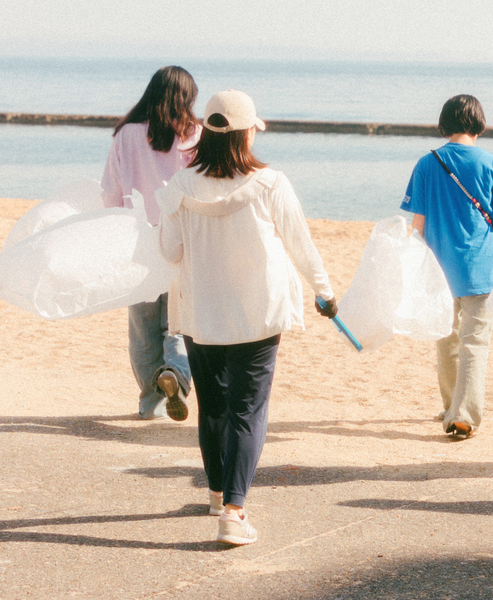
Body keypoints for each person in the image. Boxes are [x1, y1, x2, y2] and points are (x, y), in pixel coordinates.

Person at [157, 89, 337, 545]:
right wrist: (324, 291)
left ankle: (218, 496)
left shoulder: (178, 187)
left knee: (213, 407)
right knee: (247, 410)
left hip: (201, 309)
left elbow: (171, 250)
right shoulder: (271, 183)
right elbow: (300, 242)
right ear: (246, 134)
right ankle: (234, 514)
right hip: (258, 312)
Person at [401, 94, 493, 439]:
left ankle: (452, 406)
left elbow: (418, 223)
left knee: (445, 337)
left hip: (439, 265)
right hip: (482, 265)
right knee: (475, 342)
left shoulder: (427, 163)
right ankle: (462, 414)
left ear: (445, 122)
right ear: (478, 122)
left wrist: (413, 262)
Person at [101, 66, 201, 421]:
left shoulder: (126, 134)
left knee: (143, 326)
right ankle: (176, 373)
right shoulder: (194, 134)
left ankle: (151, 402)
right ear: (187, 98)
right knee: (178, 319)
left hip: (136, 238)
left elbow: (111, 190)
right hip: (181, 238)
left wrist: (114, 232)